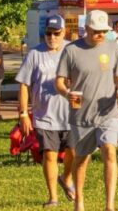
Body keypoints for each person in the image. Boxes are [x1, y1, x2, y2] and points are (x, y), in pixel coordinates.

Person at [55, 10, 118, 211]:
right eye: (96, 31)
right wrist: (67, 93)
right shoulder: (71, 50)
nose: (100, 34)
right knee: (81, 158)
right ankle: (79, 202)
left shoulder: (113, 48)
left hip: (107, 112)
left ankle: (109, 205)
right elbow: (59, 81)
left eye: (104, 31)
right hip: (81, 115)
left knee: (109, 150)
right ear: (86, 28)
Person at [18, 15, 75, 207]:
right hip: (45, 115)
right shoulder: (35, 54)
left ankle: (66, 178)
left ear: (64, 32)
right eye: (48, 34)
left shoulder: (72, 50)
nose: (52, 37)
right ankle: (53, 197)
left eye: (56, 33)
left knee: (74, 151)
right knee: (50, 155)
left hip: (70, 114)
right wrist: (23, 113)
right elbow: (24, 84)